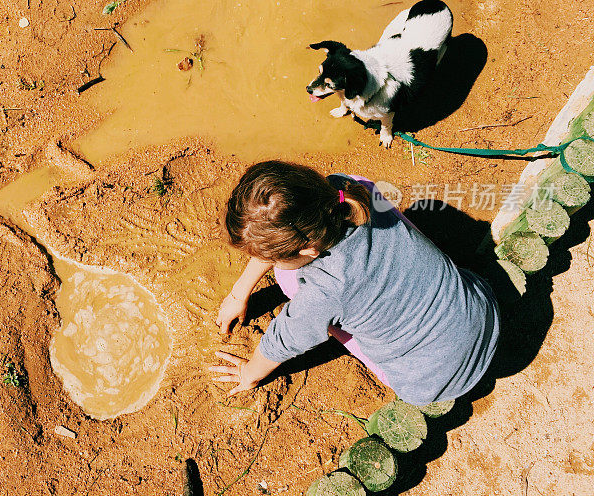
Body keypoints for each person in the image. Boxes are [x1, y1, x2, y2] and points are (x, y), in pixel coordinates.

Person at [210, 160, 499, 405]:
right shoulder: (350, 189)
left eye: (270, 256)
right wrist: (239, 293)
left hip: (430, 381)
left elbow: (282, 341)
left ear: (308, 251)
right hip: (482, 312)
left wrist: (248, 374)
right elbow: (288, 234)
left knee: (289, 280)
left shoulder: (324, 290)